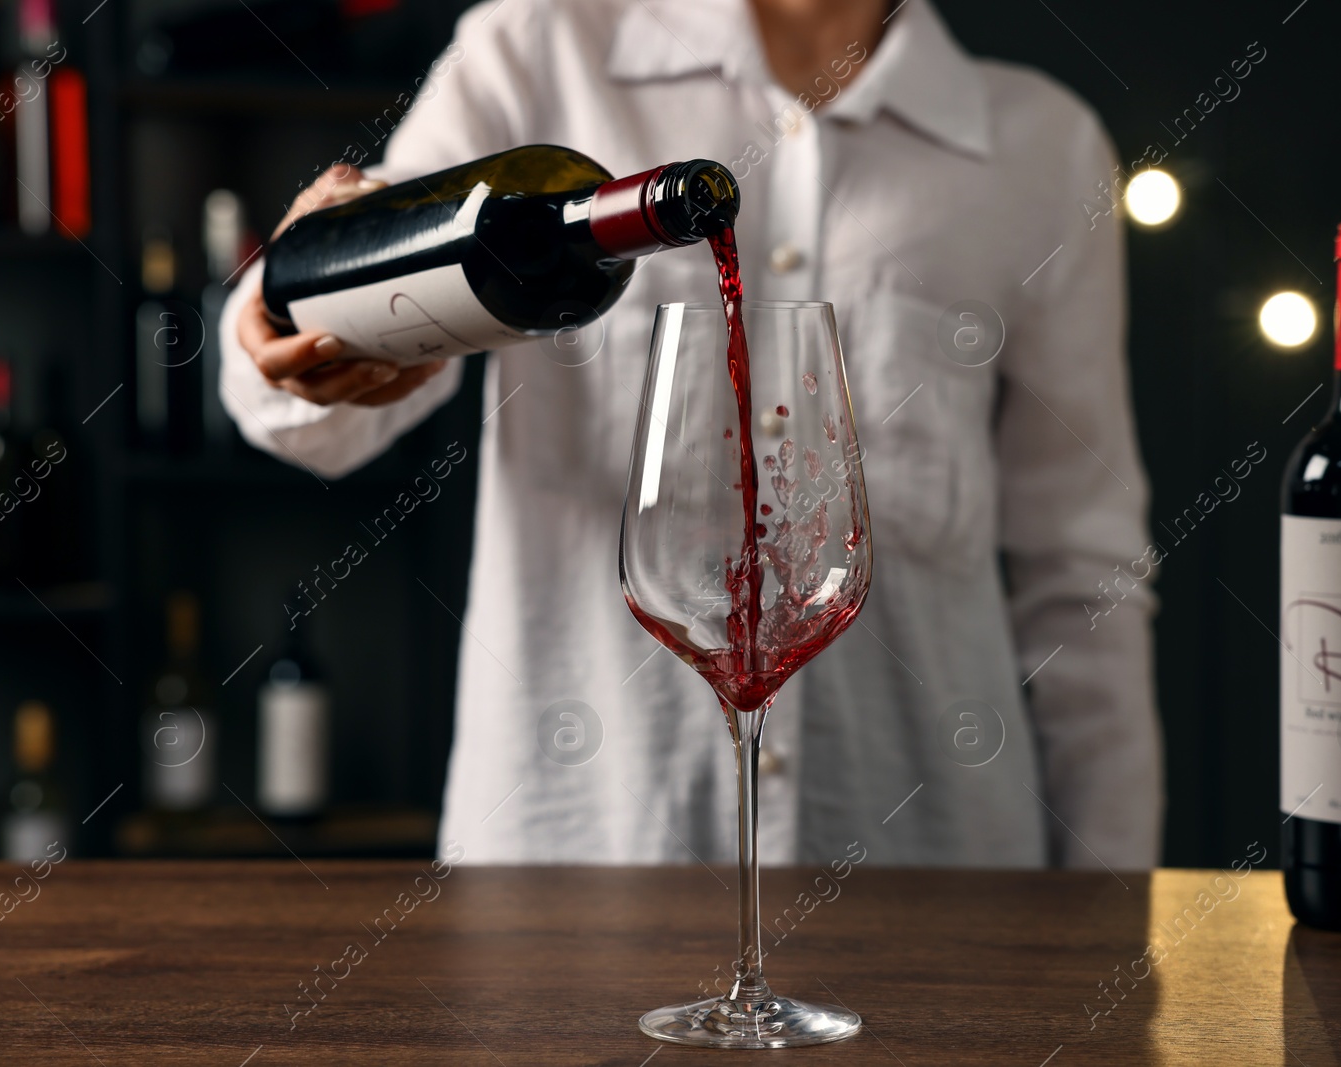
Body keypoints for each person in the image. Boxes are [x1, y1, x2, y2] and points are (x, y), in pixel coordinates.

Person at [221, 0, 1162, 869]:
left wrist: (1114, 908)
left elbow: (1085, 572)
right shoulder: (534, 48)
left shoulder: (1045, 147)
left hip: (929, 868)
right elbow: (310, 421)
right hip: (580, 862)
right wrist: (296, 327)